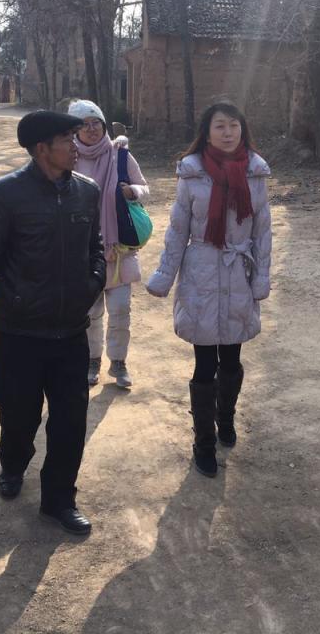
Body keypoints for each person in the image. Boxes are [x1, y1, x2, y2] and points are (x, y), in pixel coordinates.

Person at [0, 110, 106, 535]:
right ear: (42, 149)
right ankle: (13, 463)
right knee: (18, 414)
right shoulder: (6, 194)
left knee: (71, 419)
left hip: (70, 329)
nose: (76, 146)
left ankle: (59, 499)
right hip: (19, 329)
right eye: (67, 140)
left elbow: (96, 247)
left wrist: (91, 284)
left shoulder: (87, 192)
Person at [146, 101, 272, 478]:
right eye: (220, 126)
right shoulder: (192, 174)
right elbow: (177, 231)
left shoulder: (255, 173)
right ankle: (203, 441)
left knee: (231, 359)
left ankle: (225, 417)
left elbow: (263, 232)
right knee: (204, 363)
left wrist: (261, 278)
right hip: (200, 274)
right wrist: (164, 275)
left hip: (237, 274)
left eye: (233, 125)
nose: (228, 132)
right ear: (207, 132)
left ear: (243, 129)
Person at [68, 98, 150, 389]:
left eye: (96, 123)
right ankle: (92, 361)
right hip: (82, 251)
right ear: (74, 130)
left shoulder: (120, 155)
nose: (92, 129)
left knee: (120, 310)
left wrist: (133, 192)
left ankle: (118, 362)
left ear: (104, 126)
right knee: (90, 314)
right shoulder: (68, 157)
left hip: (119, 249)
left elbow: (145, 187)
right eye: (84, 125)